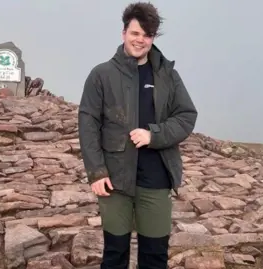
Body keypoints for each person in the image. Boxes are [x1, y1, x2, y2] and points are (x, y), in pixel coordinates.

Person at [78, 2, 198, 268]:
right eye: (135, 33)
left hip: (156, 178)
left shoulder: (168, 75)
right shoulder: (101, 75)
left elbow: (186, 116)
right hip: (114, 181)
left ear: (153, 38)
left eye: (147, 35)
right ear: (123, 33)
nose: (140, 40)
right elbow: (88, 125)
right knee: (115, 255)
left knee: (155, 257)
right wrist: (96, 172)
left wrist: (153, 135)